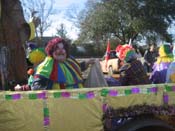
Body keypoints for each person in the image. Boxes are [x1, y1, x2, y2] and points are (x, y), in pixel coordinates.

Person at [30, 37, 94, 90]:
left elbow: (78, 68)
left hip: (80, 97)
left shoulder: (69, 60)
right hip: (61, 101)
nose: (60, 51)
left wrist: (88, 62)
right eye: (57, 48)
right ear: (51, 51)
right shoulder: (47, 64)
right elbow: (37, 85)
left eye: (63, 48)